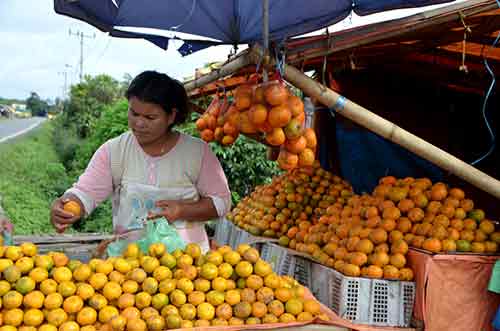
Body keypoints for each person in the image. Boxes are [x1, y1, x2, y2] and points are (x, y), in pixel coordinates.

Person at [50, 71, 231, 252]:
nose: (139, 123)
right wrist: (67, 205)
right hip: (129, 269)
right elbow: (85, 192)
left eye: (150, 118)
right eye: (134, 113)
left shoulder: (197, 152)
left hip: (188, 266)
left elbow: (222, 202)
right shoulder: (114, 151)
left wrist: (182, 210)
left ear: (171, 116)